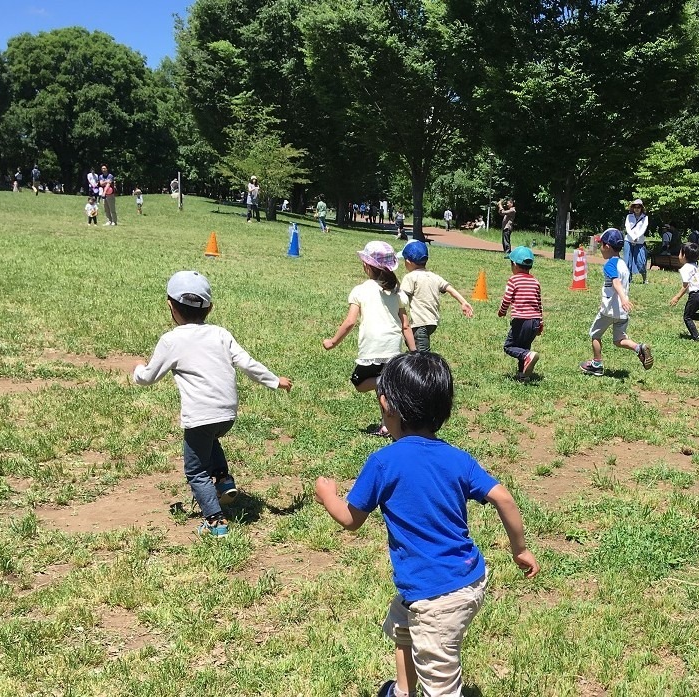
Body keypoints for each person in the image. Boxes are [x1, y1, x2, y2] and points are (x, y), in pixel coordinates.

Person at [314, 352, 540, 697]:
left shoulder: (384, 462)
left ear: (386, 403)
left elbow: (350, 518)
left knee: (441, 680)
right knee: (403, 629)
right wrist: (520, 549)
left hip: (436, 596)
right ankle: (403, 690)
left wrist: (328, 494)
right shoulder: (457, 458)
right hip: (464, 580)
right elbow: (504, 498)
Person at [132, 270, 293, 537]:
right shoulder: (220, 334)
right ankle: (223, 479)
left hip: (200, 416)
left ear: (170, 305)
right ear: (210, 308)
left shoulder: (172, 340)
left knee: (195, 471)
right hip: (227, 415)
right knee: (211, 439)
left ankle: (216, 522)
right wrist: (275, 381)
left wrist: (137, 369)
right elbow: (247, 363)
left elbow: (148, 377)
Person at [322, 241, 415, 437]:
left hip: (373, 348)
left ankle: (384, 382)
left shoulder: (361, 290)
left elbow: (349, 322)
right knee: (384, 392)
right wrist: (414, 352)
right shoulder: (396, 291)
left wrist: (332, 342)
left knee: (360, 382)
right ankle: (386, 425)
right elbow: (405, 324)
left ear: (366, 265)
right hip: (393, 348)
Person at [580, 228, 653, 376]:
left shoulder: (610, 265)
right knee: (619, 339)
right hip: (622, 312)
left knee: (595, 334)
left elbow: (616, 283)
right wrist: (624, 301)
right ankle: (639, 348)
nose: (600, 249)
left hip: (609, 310)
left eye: (601, 245)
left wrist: (623, 298)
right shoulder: (623, 264)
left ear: (607, 246)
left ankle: (597, 365)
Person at [399, 241, 474, 352]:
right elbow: (450, 289)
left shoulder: (410, 277)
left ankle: (427, 367)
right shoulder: (434, 276)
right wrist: (463, 302)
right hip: (432, 323)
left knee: (422, 355)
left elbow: (401, 298)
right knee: (414, 348)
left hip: (419, 323)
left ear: (408, 262)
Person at [498, 246, 542, 380]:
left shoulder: (513, 280)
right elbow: (539, 303)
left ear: (515, 265)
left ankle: (527, 357)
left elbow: (507, 298)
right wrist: (541, 323)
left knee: (510, 346)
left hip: (521, 320)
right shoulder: (535, 282)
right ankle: (523, 374)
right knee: (524, 346)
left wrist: (502, 311)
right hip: (534, 320)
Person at [624, 199, 649, 284]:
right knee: (627, 261)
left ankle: (645, 279)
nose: (637, 208)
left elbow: (643, 228)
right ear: (633, 208)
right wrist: (633, 236)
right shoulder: (629, 216)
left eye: (639, 207)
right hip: (628, 240)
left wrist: (636, 237)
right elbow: (627, 227)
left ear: (641, 208)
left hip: (640, 242)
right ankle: (628, 279)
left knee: (641, 261)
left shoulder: (645, 217)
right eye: (635, 207)